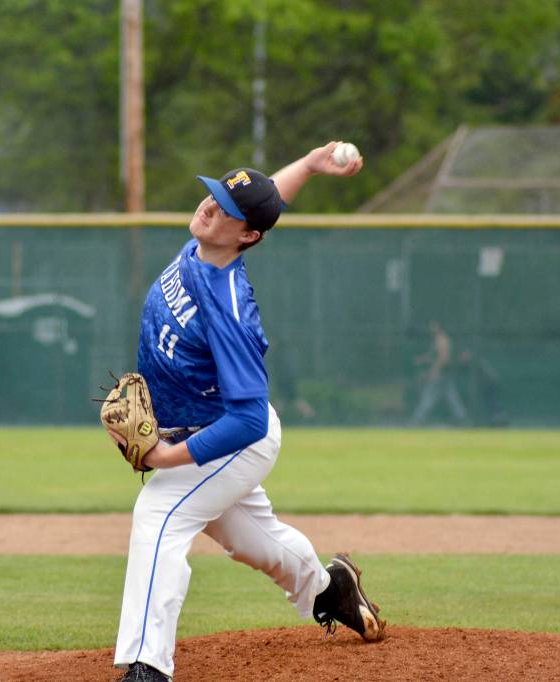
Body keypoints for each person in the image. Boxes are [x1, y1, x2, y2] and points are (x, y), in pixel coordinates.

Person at [111, 142, 384, 682]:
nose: (208, 207)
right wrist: (307, 166)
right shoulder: (207, 246)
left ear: (247, 237)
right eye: (211, 195)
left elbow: (250, 420)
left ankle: (146, 666)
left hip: (228, 439)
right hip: (196, 430)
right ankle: (331, 589)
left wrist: (167, 458)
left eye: (223, 209)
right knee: (253, 541)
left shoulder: (229, 309)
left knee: (160, 517)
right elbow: (263, 200)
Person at [409, 320, 468, 426]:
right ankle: (462, 418)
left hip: (441, 373)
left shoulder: (442, 340)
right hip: (445, 374)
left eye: (433, 326)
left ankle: (417, 419)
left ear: (439, 327)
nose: (431, 328)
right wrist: (422, 359)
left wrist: (435, 371)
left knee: (429, 396)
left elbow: (443, 358)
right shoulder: (437, 340)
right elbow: (433, 356)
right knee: (451, 397)